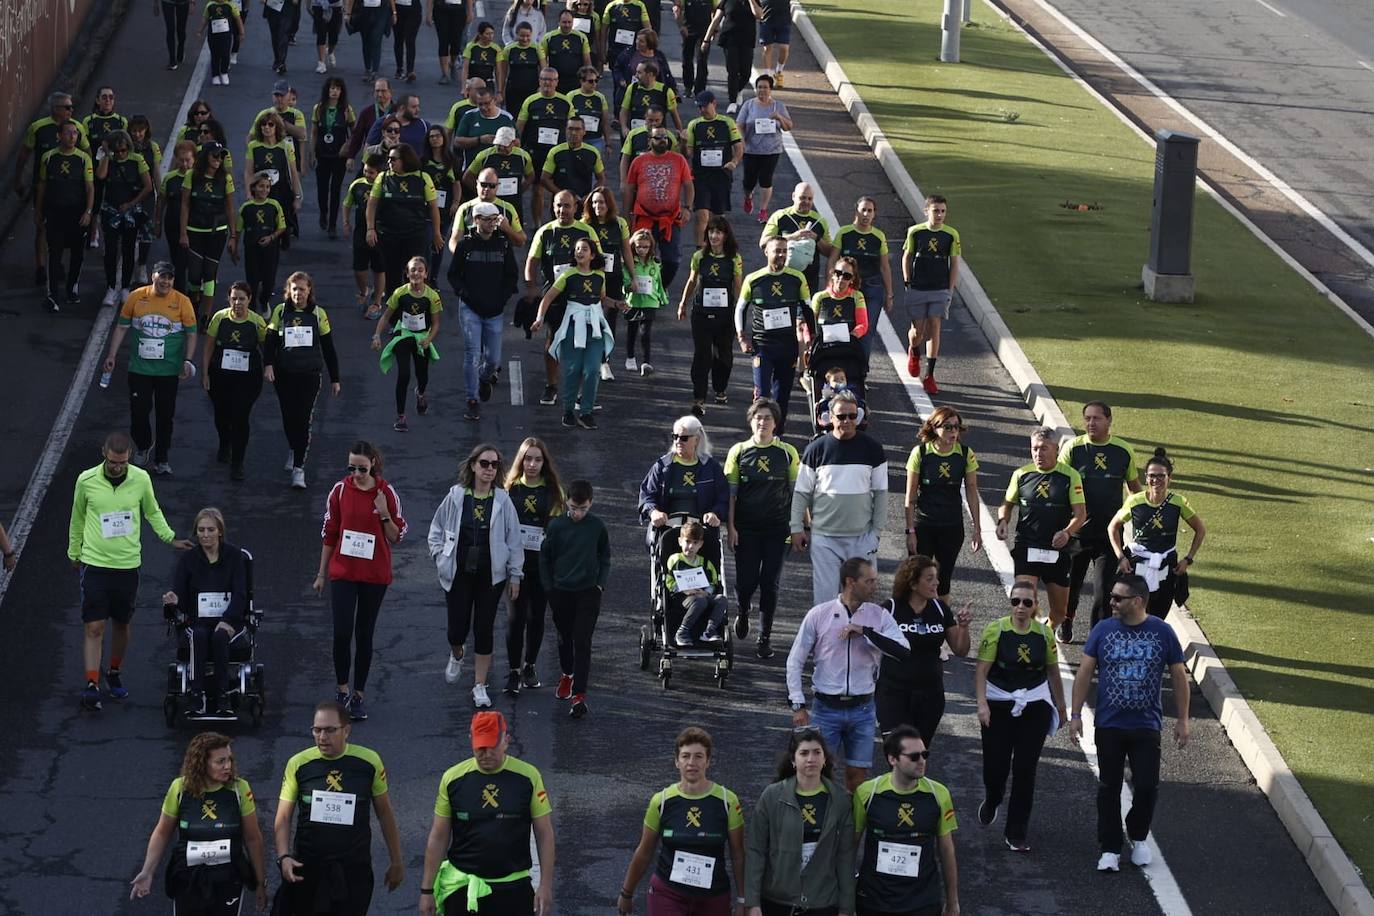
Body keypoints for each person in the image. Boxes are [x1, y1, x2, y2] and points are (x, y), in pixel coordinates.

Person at [1070, 574, 1190, 872]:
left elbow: (1178, 676)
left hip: (1146, 726)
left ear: (1137, 601)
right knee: (1108, 788)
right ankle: (1110, 847)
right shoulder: (1103, 629)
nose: (1110, 602)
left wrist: (1183, 720)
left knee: (1148, 786)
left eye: (1117, 598)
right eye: (1111, 596)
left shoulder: (1162, 632)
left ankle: (1137, 835)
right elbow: (1084, 673)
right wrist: (1074, 715)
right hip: (1109, 725)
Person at [68, 430, 193, 711]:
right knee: (94, 625)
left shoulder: (141, 479)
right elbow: (77, 517)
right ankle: (91, 684)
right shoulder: (86, 481)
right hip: (95, 563)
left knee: (122, 624)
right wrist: (74, 552)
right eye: (113, 462)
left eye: (122, 463)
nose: (117, 468)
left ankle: (113, 671)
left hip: (127, 565)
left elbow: (152, 511)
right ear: (104, 454)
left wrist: (169, 536)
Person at [787, 557, 909, 792]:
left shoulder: (879, 616)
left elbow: (903, 651)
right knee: (821, 777)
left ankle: (853, 828)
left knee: (857, 780)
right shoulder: (819, 614)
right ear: (850, 582)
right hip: (825, 709)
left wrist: (865, 632)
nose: (875, 586)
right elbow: (795, 660)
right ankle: (825, 827)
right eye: (869, 581)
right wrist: (797, 705)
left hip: (863, 709)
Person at [419, 711, 556, 915]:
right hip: (464, 889)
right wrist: (427, 890)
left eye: (492, 746)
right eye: (480, 747)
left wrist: (545, 885)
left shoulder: (528, 777)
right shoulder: (453, 779)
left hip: (513, 889)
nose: (486, 753)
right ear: (471, 741)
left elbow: (544, 833)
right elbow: (438, 836)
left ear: (506, 741)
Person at [274, 701, 405, 912]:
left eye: (330, 730)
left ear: (346, 731)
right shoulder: (298, 764)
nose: (322, 737)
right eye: (317, 730)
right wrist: (284, 856)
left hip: (353, 871)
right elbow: (283, 817)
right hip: (308, 868)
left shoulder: (369, 762)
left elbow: (385, 813)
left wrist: (397, 861)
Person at [972, 580, 1065, 853]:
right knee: (996, 766)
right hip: (999, 703)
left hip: (1034, 705)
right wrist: (982, 705)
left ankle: (1016, 831)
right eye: (1016, 602)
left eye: (1027, 602)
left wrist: (1061, 707)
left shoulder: (1044, 634)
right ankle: (993, 798)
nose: (1021, 607)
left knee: (1026, 768)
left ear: (1036, 605)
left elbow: (1052, 672)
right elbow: (981, 671)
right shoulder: (996, 630)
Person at [428, 444, 523, 708]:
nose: (489, 469)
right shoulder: (457, 496)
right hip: (459, 572)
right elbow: (436, 529)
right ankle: (457, 653)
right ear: (473, 466)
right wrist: (439, 555)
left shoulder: (502, 500)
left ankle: (479, 685)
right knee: (457, 628)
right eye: (484, 464)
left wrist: (515, 575)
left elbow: (513, 540)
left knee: (484, 627)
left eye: (494, 465)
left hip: (490, 575)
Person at [315, 441, 405, 721]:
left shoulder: (386, 493)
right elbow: (330, 533)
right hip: (343, 573)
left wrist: (384, 513)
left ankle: (359, 695)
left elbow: (396, 536)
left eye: (362, 468)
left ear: (374, 464)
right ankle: (342, 689)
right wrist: (321, 574)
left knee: (364, 634)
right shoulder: (340, 490)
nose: (356, 473)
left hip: (374, 576)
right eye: (351, 467)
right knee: (342, 632)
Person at [129, 732, 267, 913]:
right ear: (201, 763)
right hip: (189, 879)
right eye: (220, 761)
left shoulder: (240, 789)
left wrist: (260, 882)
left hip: (227, 879)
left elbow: (253, 838)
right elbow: (162, 833)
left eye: (229, 760)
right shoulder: (179, 788)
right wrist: (147, 871)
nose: (228, 766)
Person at [618, 726, 746, 915]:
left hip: (714, 896)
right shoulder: (660, 801)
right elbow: (644, 852)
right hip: (668, 894)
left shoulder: (728, 801)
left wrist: (743, 899)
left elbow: (738, 855)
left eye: (699, 756)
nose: (691, 762)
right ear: (677, 761)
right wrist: (626, 892)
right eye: (685, 756)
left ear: (708, 761)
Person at [791, 391, 889, 608]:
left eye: (852, 416)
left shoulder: (873, 449)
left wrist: (875, 534)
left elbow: (882, 494)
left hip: (862, 538)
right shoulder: (815, 450)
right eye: (842, 416)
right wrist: (796, 527)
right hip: (825, 538)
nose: (847, 421)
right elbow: (801, 493)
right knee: (825, 603)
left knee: (863, 602)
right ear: (830, 418)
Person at [744, 727, 855, 915]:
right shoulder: (771, 796)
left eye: (816, 752)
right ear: (793, 760)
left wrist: (846, 907)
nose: (811, 759)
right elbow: (756, 850)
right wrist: (752, 902)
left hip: (822, 902)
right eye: (804, 753)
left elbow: (845, 857)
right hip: (777, 901)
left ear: (825, 758)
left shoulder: (841, 800)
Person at [852, 726, 960, 916]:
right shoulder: (867, 793)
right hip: (874, 900)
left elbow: (947, 850)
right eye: (914, 757)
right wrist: (845, 899)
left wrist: (953, 902)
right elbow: (850, 846)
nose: (922, 761)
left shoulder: (938, 794)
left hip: (922, 901)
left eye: (925, 755)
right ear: (892, 759)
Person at [103, 263, 199, 476]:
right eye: (162, 276)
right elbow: (121, 327)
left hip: (168, 372)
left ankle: (162, 459)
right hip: (140, 369)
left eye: (170, 278)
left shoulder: (182, 302)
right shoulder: (136, 297)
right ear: (152, 276)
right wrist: (111, 355)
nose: (166, 282)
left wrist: (188, 360)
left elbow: (192, 334)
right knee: (139, 413)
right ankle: (144, 445)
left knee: (165, 416)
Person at [1059, 401, 1142, 642]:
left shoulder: (1123, 450)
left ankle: (1097, 640)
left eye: (1096, 418)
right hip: (1076, 535)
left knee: (1103, 594)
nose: (1090, 423)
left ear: (1109, 420)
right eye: (1087, 418)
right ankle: (1067, 621)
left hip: (1108, 538)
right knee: (1070, 589)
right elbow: (1059, 483)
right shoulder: (1073, 448)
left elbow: (1134, 491)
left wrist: (1141, 522)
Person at [724, 398, 798, 658]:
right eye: (758, 417)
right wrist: (731, 527)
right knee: (745, 582)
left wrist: (800, 526)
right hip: (746, 529)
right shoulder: (739, 451)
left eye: (767, 418)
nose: (762, 422)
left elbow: (796, 493)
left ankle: (764, 638)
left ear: (776, 424)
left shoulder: (788, 452)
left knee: (770, 582)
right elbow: (731, 495)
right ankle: (743, 610)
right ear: (751, 421)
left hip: (778, 529)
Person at [996, 427, 1087, 631]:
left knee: (1060, 612)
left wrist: (1067, 532)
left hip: (1056, 549)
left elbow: (1080, 514)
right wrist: (1003, 520)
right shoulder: (1021, 474)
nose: (1038, 453)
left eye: (1044, 448)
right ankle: (1024, 639)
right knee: (1024, 601)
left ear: (1056, 449)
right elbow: (1007, 504)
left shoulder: (1070, 476)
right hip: (1027, 546)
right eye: (1035, 449)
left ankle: (1047, 632)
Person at [161, 507, 250, 715]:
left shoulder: (235, 557)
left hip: (228, 619)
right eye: (201, 530)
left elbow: (240, 594)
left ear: (220, 531)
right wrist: (173, 600)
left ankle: (222, 696)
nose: (205, 535)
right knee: (199, 635)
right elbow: (180, 596)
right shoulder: (188, 560)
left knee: (220, 637)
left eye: (210, 529)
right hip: (198, 620)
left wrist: (228, 619)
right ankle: (197, 695)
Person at [876, 555, 971, 748]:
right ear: (912, 583)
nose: (936, 582)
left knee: (918, 754)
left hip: (931, 695)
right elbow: (868, 640)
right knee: (900, 752)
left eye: (936, 577)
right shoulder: (890, 609)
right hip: (894, 694)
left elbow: (960, 650)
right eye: (929, 579)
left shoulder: (940, 609)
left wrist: (963, 627)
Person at [531, 236, 623, 428]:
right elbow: (548, 298)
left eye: (584, 249)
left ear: (592, 255)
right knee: (573, 370)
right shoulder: (568, 275)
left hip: (595, 328)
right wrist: (539, 319)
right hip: (574, 325)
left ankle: (586, 412)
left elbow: (602, 298)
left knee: (592, 371)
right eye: (577, 249)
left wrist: (616, 303)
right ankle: (568, 411)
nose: (579, 252)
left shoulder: (599, 276)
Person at [539, 479, 611, 718]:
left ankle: (579, 695)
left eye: (583, 509)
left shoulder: (597, 527)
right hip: (561, 591)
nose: (578, 513)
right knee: (564, 638)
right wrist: (549, 587)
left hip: (588, 591)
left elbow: (605, 556)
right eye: (573, 508)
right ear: (566, 503)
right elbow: (545, 558)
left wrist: (600, 583)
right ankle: (567, 674)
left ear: (591, 503)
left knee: (582, 640)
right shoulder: (557, 526)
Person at [264, 271, 342, 488]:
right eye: (295, 289)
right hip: (284, 374)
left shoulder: (318, 314)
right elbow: (270, 341)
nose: (299, 293)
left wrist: (335, 378)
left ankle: (299, 468)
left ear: (309, 291)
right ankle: (293, 447)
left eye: (303, 289)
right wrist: (268, 364)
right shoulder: (280, 312)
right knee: (289, 418)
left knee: (304, 419)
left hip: (309, 375)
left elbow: (328, 348)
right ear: (289, 291)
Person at [1108, 448, 1206, 618]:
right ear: (1146, 477)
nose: (1156, 480)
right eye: (1152, 475)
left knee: (1158, 617)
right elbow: (1113, 527)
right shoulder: (1135, 501)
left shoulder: (1178, 502)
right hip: (1137, 565)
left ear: (1170, 478)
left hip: (1166, 565)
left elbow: (1200, 530)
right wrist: (1121, 557)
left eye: (1161, 475)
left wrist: (1188, 559)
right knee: (1130, 614)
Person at [525, 191, 602, 407]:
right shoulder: (545, 232)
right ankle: (551, 385)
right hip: (555, 297)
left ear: (575, 207)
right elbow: (532, 262)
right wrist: (531, 288)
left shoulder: (586, 231)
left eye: (567, 206)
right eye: (558, 206)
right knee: (553, 342)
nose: (562, 210)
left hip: (582, 297)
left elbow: (599, 262)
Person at [503, 437, 567, 693]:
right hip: (515, 566)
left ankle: (529, 665)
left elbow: (558, 530)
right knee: (515, 617)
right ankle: (513, 671)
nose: (532, 464)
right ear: (521, 461)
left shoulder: (553, 491)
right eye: (527, 459)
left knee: (536, 616)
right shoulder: (510, 490)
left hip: (541, 565)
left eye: (537, 459)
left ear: (544, 462)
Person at [903, 406, 982, 603]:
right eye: (947, 427)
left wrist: (977, 528)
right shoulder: (920, 453)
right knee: (919, 576)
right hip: (924, 526)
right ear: (934, 428)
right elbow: (910, 495)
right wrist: (910, 530)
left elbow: (972, 490)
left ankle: (940, 624)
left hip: (951, 526)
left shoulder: (965, 453)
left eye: (956, 427)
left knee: (943, 579)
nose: (953, 432)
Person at [449, 201, 519, 422]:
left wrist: (502, 298)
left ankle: (484, 378)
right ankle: (472, 399)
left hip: (495, 310)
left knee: (493, 359)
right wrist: (464, 293)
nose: (491, 224)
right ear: (476, 220)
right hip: (470, 309)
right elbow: (453, 275)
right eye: (487, 219)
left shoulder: (503, 245)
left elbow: (511, 275)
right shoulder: (465, 246)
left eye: (494, 220)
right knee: (472, 354)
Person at [734, 236, 813, 432]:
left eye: (785, 251)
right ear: (766, 252)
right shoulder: (754, 279)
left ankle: (777, 435)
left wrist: (813, 338)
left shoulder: (797, 278)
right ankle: (758, 434)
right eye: (777, 251)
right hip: (763, 346)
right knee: (762, 394)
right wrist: (742, 337)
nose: (781, 255)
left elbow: (808, 308)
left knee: (782, 396)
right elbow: (740, 309)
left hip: (787, 346)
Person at [17, 92, 89, 289]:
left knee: (65, 229)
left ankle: (56, 263)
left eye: (71, 107)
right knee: (42, 226)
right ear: (55, 108)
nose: (71, 110)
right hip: (45, 185)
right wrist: (18, 180)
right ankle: (41, 268)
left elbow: (87, 153)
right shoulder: (38, 127)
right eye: (67, 107)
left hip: (70, 189)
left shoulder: (77, 127)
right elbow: (24, 155)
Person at [201, 282, 267, 480]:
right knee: (222, 415)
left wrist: (271, 368)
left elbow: (266, 348)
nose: (237, 302)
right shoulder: (219, 318)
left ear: (249, 300)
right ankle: (224, 443)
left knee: (240, 417)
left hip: (248, 379)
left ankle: (238, 463)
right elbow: (208, 347)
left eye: (242, 298)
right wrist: (205, 374)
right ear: (229, 299)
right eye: (234, 298)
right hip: (220, 376)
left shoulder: (256, 322)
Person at [678, 214, 743, 414]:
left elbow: (738, 287)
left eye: (718, 232)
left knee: (723, 355)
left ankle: (720, 387)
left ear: (725, 236)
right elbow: (691, 281)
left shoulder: (734, 258)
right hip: (702, 313)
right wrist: (683, 303)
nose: (714, 236)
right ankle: (699, 397)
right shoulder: (699, 256)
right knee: (702, 355)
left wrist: (738, 313)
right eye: (711, 232)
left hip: (725, 315)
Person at [639, 415, 730, 550]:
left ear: (697, 440)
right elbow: (646, 495)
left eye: (684, 438)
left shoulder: (711, 467)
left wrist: (715, 514)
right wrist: (653, 512)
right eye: (675, 437)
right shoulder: (662, 466)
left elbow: (723, 497)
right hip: (668, 530)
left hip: (701, 532)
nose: (678, 441)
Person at [372, 255, 442, 431]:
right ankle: (401, 416)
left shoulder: (432, 296)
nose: (416, 273)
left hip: (421, 339)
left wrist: (429, 339)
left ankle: (420, 393)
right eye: (413, 270)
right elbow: (387, 315)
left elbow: (436, 323)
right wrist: (377, 335)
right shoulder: (400, 293)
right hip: (403, 335)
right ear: (407, 273)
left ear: (426, 274)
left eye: (420, 270)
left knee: (422, 374)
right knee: (404, 374)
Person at [368, 142, 444, 297]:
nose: (389, 162)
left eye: (393, 159)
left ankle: (415, 308)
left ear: (405, 160)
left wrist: (436, 233)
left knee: (414, 274)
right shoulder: (383, 178)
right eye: (388, 159)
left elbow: (433, 208)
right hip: (388, 235)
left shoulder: (423, 178)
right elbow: (372, 205)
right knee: (392, 276)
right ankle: (394, 314)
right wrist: (370, 229)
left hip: (414, 235)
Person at [901, 195, 959, 394]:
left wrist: (950, 289)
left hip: (940, 288)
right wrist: (907, 281)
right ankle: (914, 351)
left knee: (935, 326)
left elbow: (954, 263)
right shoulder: (915, 232)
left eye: (943, 211)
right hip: (918, 287)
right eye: (936, 210)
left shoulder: (951, 234)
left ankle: (929, 375)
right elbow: (907, 257)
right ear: (927, 211)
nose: (940, 214)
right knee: (918, 331)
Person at [35, 121, 94, 312]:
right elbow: (42, 185)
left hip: (76, 213)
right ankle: (52, 295)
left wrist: (88, 212)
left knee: (77, 254)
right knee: (55, 252)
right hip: (55, 213)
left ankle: (71, 288)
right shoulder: (49, 157)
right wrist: (38, 210)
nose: (72, 136)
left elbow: (89, 187)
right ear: (59, 135)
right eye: (68, 133)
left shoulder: (84, 158)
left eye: (75, 133)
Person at [624, 126, 694, 286]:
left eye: (665, 137)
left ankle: (659, 288)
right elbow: (629, 189)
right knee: (640, 258)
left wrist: (687, 207)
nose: (663, 140)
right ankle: (642, 293)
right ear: (649, 141)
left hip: (670, 219)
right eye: (658, 138)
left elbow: (688, 185)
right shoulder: (639, 161)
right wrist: (627, 216)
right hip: (644, 219)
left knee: (672, 261)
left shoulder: (678, 160)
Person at [179, 142, 238, 325]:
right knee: (195, 275)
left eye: (221, 156)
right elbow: (185, 205)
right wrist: (183, 233)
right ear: (205, 157)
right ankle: (193, 307)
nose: (218, 160)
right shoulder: (192, 176)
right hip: (195, 230)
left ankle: (205, 316)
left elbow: (229, 208)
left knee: (209, 273)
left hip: (217, 231)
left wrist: (233, 236)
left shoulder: (225, 179)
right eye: (215, 156)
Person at [829, 197, 893, 362]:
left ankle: (860, 371)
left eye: (870, 211)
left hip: (872, 288)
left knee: (866, 331)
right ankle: (842, 368)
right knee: (845, 328)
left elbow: (885, 267)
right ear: (856, 211)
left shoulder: (879, 236)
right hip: (848, 288)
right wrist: (830, 286)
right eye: (863, 210)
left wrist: (889, 294)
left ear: (874, 214)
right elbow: (832, 261)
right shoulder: (844, 233)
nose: (866, 214)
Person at [96, 130, 153, 306]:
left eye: (124, 150)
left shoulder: (137, 160)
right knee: (110, 250)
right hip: (110, 211)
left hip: (130, 213)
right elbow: (100, 176)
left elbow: (148, 186)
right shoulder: (109, 161)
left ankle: (126, 287)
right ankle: (111, 287)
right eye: (117, 150)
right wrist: (106, 154)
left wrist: (131, 204)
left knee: (128, 250)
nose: (121, 154)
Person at [582, 186, 634, 380]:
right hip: (590, 278)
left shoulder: (619, 224)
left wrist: (633, 277)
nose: (598, 206)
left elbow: (627, 251)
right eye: (594, 202)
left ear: (609, 204)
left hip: (613, 277)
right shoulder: (585, 224)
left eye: (601, 202)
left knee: (609, 318)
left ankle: (605, 361)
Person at [685, 91, 742, 246]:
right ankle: (700, 250)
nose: (701, 110)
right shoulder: (694, 125)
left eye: (704, 106)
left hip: (721, 175)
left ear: (714, 103)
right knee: (701, 214)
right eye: (699, 107)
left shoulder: (727, 123)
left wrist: (734, 162)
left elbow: (738, 146)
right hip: (701, 176)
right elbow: (688, 152)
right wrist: (682, 143)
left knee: (717, 217)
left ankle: (717, 247)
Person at [517, 68, 575, 220]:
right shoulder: (531, 101)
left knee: (560, 190)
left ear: (557, 82)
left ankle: (558, 221)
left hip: (559, 153)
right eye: (544, 79)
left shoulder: (565, 101)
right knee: (538, 189)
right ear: (539, 81)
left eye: (550, 80)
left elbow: (574, 126)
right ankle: (537, 224)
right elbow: (519, 127)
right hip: (536, 152)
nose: (547, 83)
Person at [663, 519, 729, 646]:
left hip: (702, 594)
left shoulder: (705, 563)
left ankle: (709, 631)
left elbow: (713, 582)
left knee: (721, 599)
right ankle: (682, 632)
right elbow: (669, 581)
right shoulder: (675, 560)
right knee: (699, 601)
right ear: (680, 541)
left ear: (700, 544)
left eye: (695, 543)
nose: (691, 546)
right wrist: (684, 590)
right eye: (687, 542)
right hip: (682, 596)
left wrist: (706, 592)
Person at [805, 256, 868, 386]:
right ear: (832, 274)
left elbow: (863, 324)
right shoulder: (820, 297)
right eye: (838, 273)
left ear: (852, 280)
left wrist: (852, 335)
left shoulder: (857, 297)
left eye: (846, 276)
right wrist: (809, 340)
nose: (841, 279)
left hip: (847, 347)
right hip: (824, 348)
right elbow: (810, 323)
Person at [761, 182, 832, 297]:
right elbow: (763, 242)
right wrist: (792, 237)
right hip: (781, 276)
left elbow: (830, 252)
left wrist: (816, 238)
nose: (807, 202)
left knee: (806, 314)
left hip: (809, 280)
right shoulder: (780, 216)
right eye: (803, 197)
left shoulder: (820, 221)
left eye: (810, 198)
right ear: (793, 196)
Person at [309, 77, 356, 238]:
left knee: (335, 190)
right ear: (327, 90)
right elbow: (314, 132)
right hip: (322, 154)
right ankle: (323, 212)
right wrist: (312, 152)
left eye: (337, 88)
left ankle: (332, 225)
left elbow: (355, 133)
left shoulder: (346, 110)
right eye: (331, 88)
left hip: (339, 156)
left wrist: (348, 147)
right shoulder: (319, 108)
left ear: (341, 91)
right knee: (322, 188)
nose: (334, 91)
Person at [344, 154, 388, 317]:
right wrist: (346, 222)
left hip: (381, 232)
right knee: (359, 268)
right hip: (361, 231)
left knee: (379, 268)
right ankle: (364, 291)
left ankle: (377, 301)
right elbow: (347, 204)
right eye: (365, 171)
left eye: (371, 172)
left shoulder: (385, 186)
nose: (367, 175)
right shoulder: (357, 185)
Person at [464, 130, 535, 227]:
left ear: (513, 143)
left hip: (514, 204)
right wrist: (483, 192)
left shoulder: (523, 156)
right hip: (490, 204)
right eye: (499, 144)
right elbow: (467, 177)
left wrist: (520, 190)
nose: (501, 148)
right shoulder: (484, 156)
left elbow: (530, 176)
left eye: (505, 145)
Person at [238, 172, 287, 313]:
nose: (264, 190)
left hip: (270, 249)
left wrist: (271, 237)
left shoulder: (274, 205)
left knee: (269, 282)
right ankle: (252, 309)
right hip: (251, 249)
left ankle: (264, 300)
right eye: (261, 186)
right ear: (253, 188)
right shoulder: (246, 208)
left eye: (267, 187)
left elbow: (282, 226)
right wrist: (233, 247)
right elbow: (237, 230)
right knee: (252, 282)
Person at [622, 227, 668, 374]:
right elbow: (624, 280)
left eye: (645, 247)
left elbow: (659, 282)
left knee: (645, 332)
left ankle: (646, 362)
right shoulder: (630, 263)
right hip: (633, 301)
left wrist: (662, 297)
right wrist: (628, 287)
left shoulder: (655, 263)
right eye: (639, 246)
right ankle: (630, 357)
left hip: (650, 301)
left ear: (651, 247)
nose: (642, 250)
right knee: (632, 330)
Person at [157, 141, 196, 294]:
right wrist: (158, 222)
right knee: (178, 262)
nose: (184, 163)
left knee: (193, 263)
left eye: (188, 160)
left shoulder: (199, 178)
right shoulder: (170, 178)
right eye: (181, 160)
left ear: (194, 159)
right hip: (172, 225)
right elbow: (161, 202)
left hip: (194, 226)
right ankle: (180, 294)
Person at [541, 117, 606, 205]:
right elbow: (544, 179)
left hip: (584, 202)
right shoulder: (555, 152)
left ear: (584, 131)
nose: (574, 133)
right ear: (566, 130)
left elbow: (601, 178)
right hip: (561, 204)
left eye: (578, 129)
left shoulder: (593, 152)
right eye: (570, 129)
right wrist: (563, 195)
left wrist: (590, 196)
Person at [453, 86, 516, 175]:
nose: (483, 107)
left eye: (487, 103)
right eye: (480, 104)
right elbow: (457, 142)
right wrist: (479, 140)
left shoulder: (506, 118)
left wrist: (501, 144)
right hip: (473, 170)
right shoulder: (469, 116)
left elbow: (517, 143)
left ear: (494, 100)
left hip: (499, 169)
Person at [620, 60, 684, 136]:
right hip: (635, 134)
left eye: (639, 72)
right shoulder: (632, 88)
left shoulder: (666, 91)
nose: (636, 75)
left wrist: (681, 134)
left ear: (649, 74)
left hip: (657, 136)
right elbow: (624, 110)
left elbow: (675, 115)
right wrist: (624, 127)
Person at [345, 0, 399, 83]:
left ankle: (375, 71)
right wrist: (348, 13)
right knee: (366, 41)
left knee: (376, 39)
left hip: (381, 10)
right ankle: (367, 68)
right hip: (364, 10)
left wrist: (394, 12)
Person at [541, 9, 593, 93]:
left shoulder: (581, 38)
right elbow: (542, 62)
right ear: (558, 22)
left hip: (575, 82)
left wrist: (589, 81)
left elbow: (587, 62)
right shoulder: (548, 38)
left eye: (569, 22)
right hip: (555, 83)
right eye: (564, 22)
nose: (567, 25)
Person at [345, 79, 394, 168]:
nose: (380, 94)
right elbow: (358, 135)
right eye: (377, 91)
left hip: (392, 157)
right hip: (371, 156)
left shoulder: (398, 112)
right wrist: (351, 156)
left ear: (390, 92)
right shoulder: (366, 112)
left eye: (383, 91)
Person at [502, 21, 545, 117]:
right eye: (522, 36)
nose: (525, 39)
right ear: (516, 34)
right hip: (513, 92)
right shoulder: (509, 49)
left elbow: (543, 71)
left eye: (528, 36)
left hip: (532, 91)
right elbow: (502, 73)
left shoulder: (537, 49)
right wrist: (500, 91)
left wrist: (541, 88)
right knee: (513, 117)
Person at [199, 0, 244, 84]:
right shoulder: (210, 5)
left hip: (226, 36)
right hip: (213, 36)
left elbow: (238, 19)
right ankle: (215, 75)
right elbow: (205, 19)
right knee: (215, 54)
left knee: (225, 53)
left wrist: (241, 32)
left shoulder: (231, 5)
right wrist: (200, 31)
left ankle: (224, 73)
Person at [672, 0, 712, 95]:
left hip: (705, 33)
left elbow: (717, 10)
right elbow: (676, 8)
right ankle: (688, 86)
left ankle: (700, 89)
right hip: (688, 31)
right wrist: (681, 26)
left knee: (702, 60)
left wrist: (713, 30)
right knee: (687, 59)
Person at [432, 0, 475, 83]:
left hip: (458, 10)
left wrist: (470, 12)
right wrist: (429, 12)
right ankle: (445, 73)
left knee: (456, 42)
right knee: (443, 41)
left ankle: (452, 63)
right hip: (441, 10)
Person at [461, 20, 506, 91]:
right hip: (473, 83)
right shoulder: (471, 46)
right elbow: (465, 68)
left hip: (488, 83)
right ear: (480, 34)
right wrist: (464, 88)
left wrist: (499, 91)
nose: (490, 36)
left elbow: (498, 71)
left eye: (492, 33)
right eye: (487, 34)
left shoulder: (496, 49)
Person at [311, 0, 346, 74]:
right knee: (321, 33)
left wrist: (345, 6)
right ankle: (321, 62)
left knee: (334, 34)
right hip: (318, 5)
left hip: (336, 5)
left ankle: (330, 51)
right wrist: (308, 4)